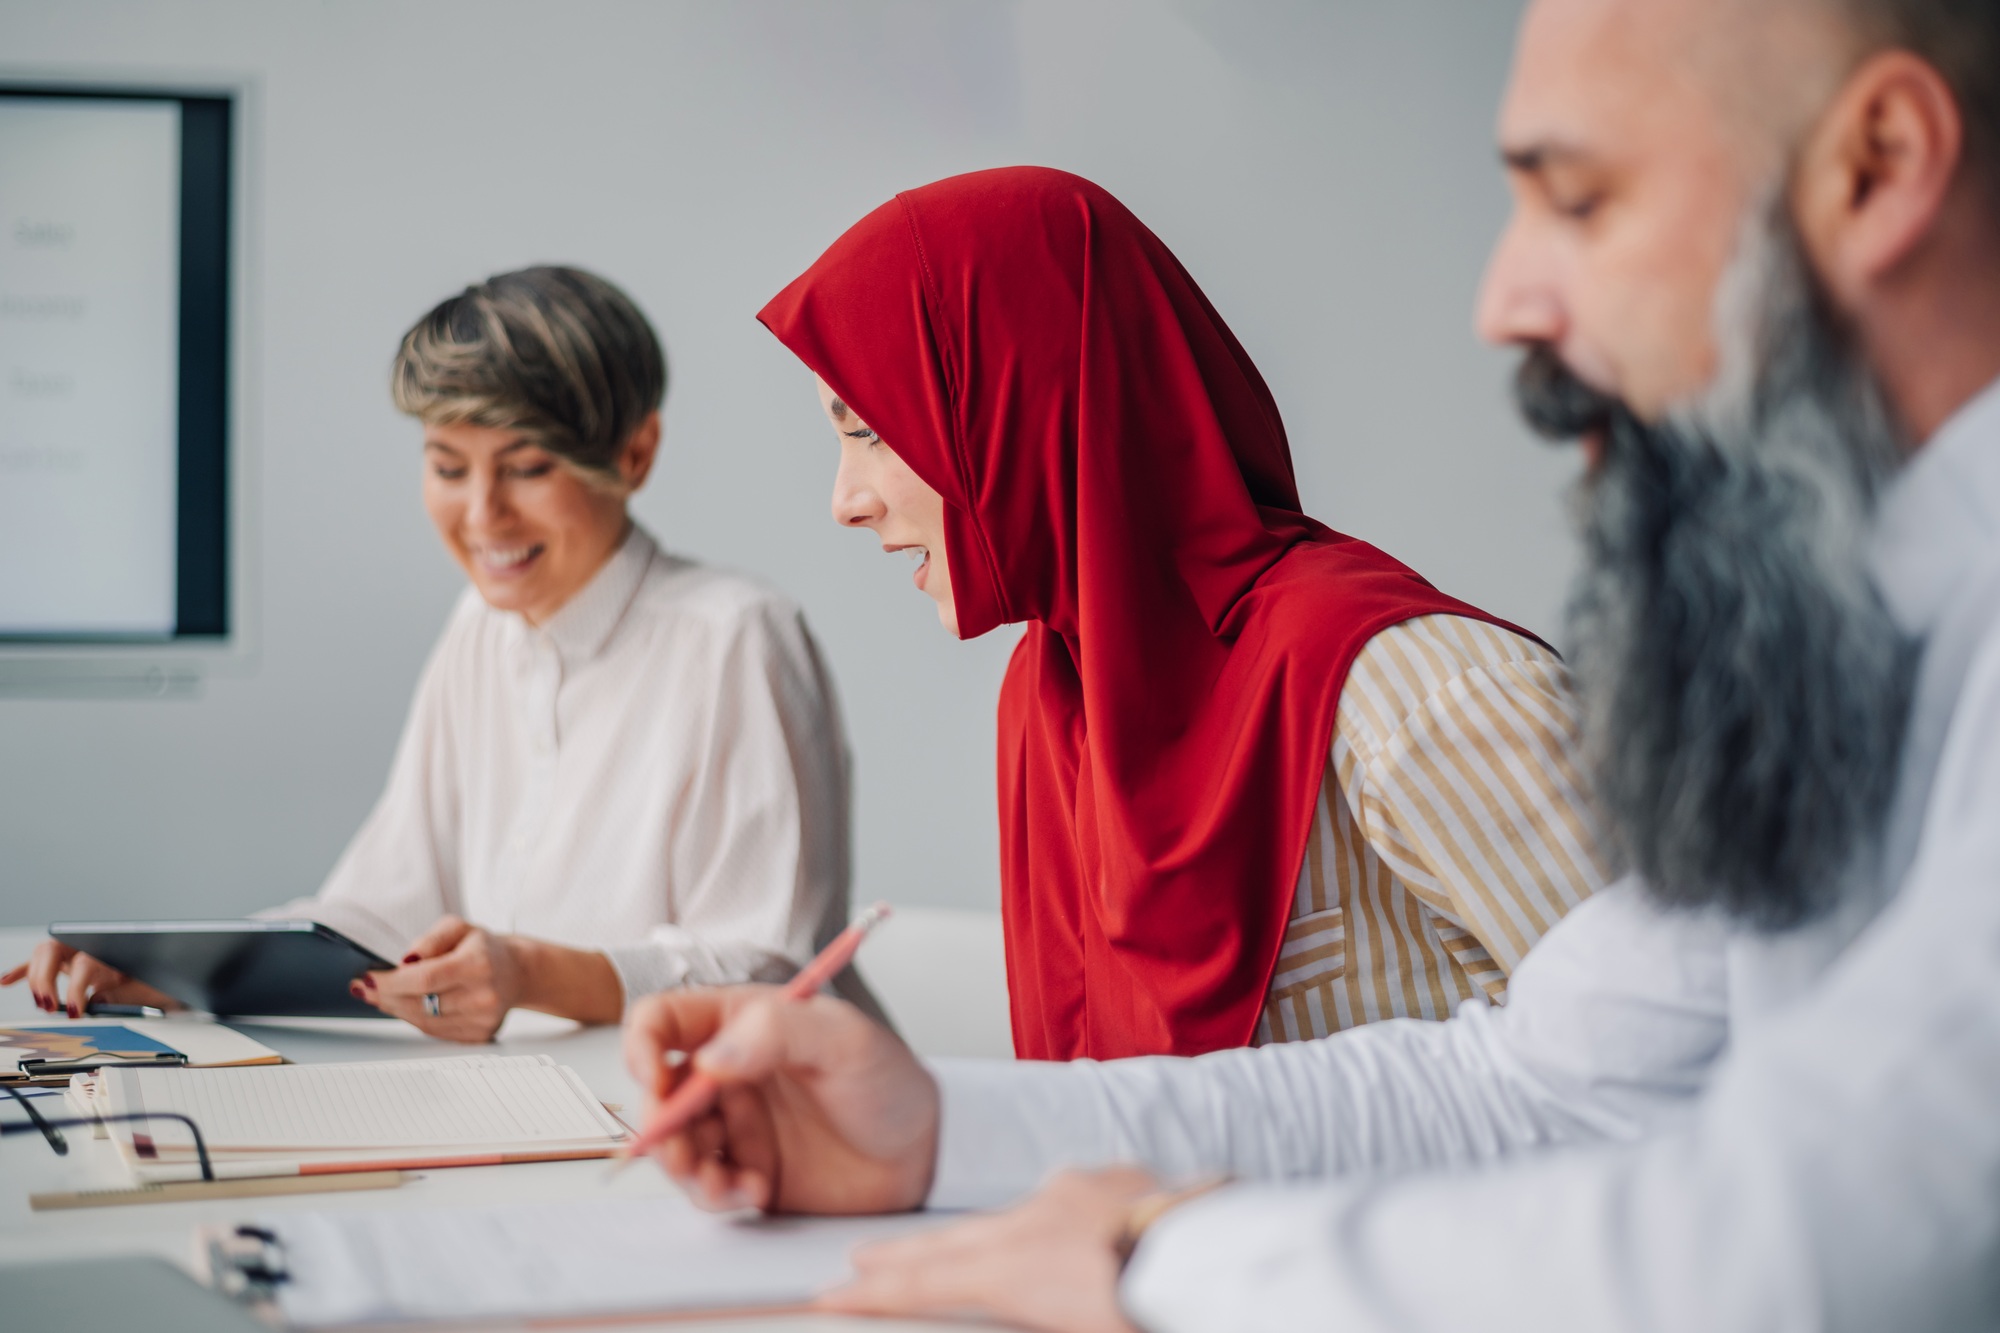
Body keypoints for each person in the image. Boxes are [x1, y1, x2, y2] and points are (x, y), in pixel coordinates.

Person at [617, 0, 2000, 1327]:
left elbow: (1798, 1253)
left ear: (1879, 168)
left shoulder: (1408, 689)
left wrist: (1160, 1260)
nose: (1503, 302)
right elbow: (1538, 1082)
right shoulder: (1867, 628)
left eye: (1581, 201)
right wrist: (934, 1128)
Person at [759, 166, 1608, 1058]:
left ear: (1023, 396)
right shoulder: (1048, 700)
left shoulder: (1406, 692)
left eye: (872, 431)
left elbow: (1709, 1073)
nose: (846, 501)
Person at [4, 266, 866, 1043]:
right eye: (448, 467)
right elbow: (388, 908)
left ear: (634, 453)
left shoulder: (736, 637)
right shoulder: (480, 630)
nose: (483, 514)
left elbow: (774, 967)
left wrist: (529, 973)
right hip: (533, 1110)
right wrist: (179, 972)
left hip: (706, 1129)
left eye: (526, 467)